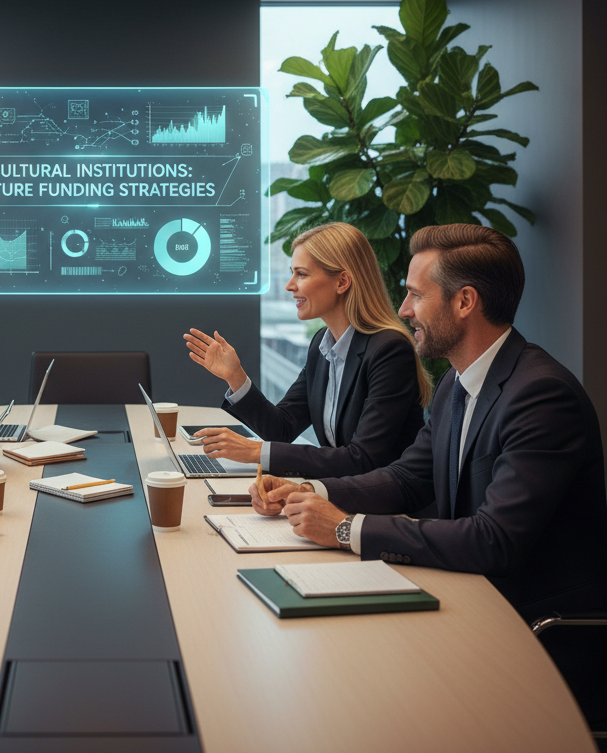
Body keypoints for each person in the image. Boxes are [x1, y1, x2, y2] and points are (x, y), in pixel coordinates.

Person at [251, 225, 607, 717]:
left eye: (416, 294)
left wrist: (344, 528)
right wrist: (305, 488)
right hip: (469, 599)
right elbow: (403, 478)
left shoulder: (541, 397)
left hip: (536, 632)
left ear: (465, 301)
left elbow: (492, 539)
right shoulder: (456, 385)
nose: (403, 310)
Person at [184, 221, 429, 477]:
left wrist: (256, 452)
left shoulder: (389, 350)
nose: (290, 285)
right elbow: (282, 429)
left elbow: (363, 459)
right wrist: (235, 376)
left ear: (342, 282)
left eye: (301, 274)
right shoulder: (322, 345)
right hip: (340, 497)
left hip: (387, 510)